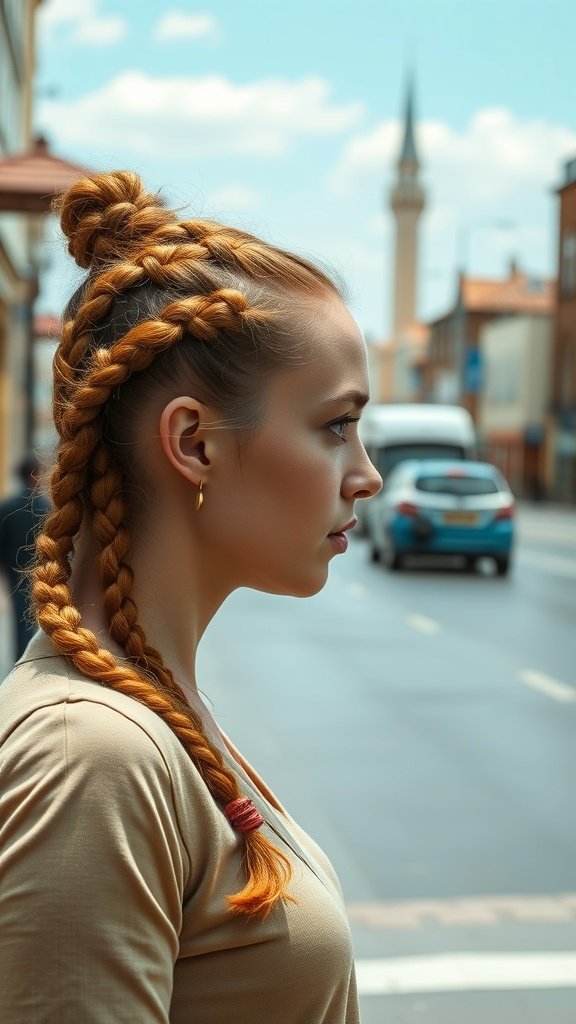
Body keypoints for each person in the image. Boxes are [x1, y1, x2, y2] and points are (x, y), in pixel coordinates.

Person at [0, 170, 381, 1023]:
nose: (367, 476)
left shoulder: (152, 710)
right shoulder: (89, 755)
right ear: (195, 443)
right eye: (335, 425)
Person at [0, 454, 50, 661]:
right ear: (35, 476)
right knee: (42, 616)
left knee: (20, 616)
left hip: (14, 568)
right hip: (40, 568)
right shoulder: (45, 508)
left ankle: (21, 659)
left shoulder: (7, 507)